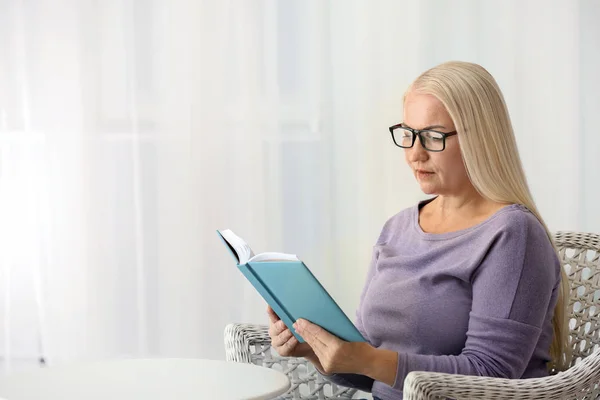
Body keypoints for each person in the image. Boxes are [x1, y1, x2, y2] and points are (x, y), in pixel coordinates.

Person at [266, 61, 570, 400]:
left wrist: (367, 358)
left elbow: (490, 374)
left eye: (433, 136)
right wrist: (319, 351)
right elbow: (374, 370)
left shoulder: (513, 234)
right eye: (408, 134)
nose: (415, 153)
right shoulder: (397, 228)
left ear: (481, 137)